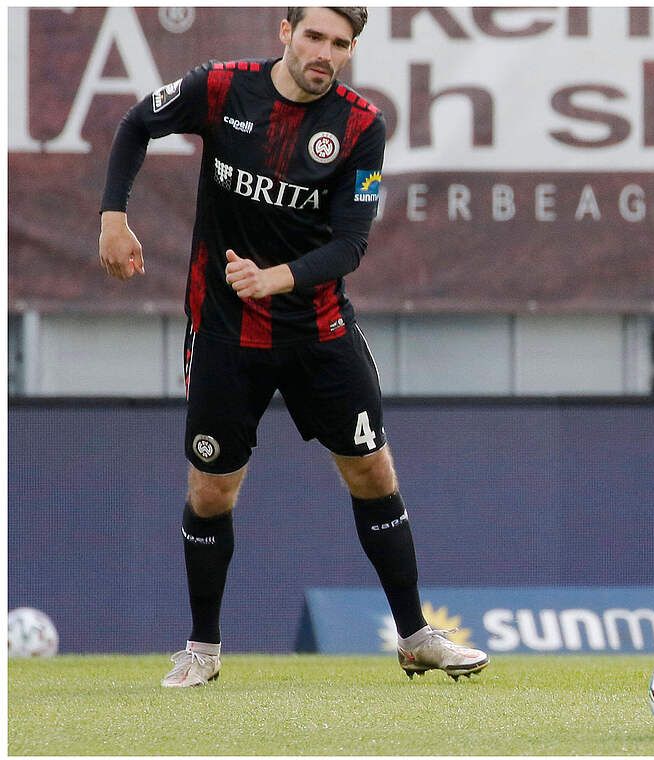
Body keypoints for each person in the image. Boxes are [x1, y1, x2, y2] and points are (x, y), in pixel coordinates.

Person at [97, 7, 488, 687]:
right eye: (314, 36)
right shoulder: (222, 87)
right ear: (285, 33)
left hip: (320, 332)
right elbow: (136, 123)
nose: (324, 54)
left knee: (373, 473)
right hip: (224, 332)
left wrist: (274, 278)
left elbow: (351, 244)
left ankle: (415, 636)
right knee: (212, 489)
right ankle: (203, 650)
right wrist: (113, 219)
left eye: (340, 43)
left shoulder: (361, 125)